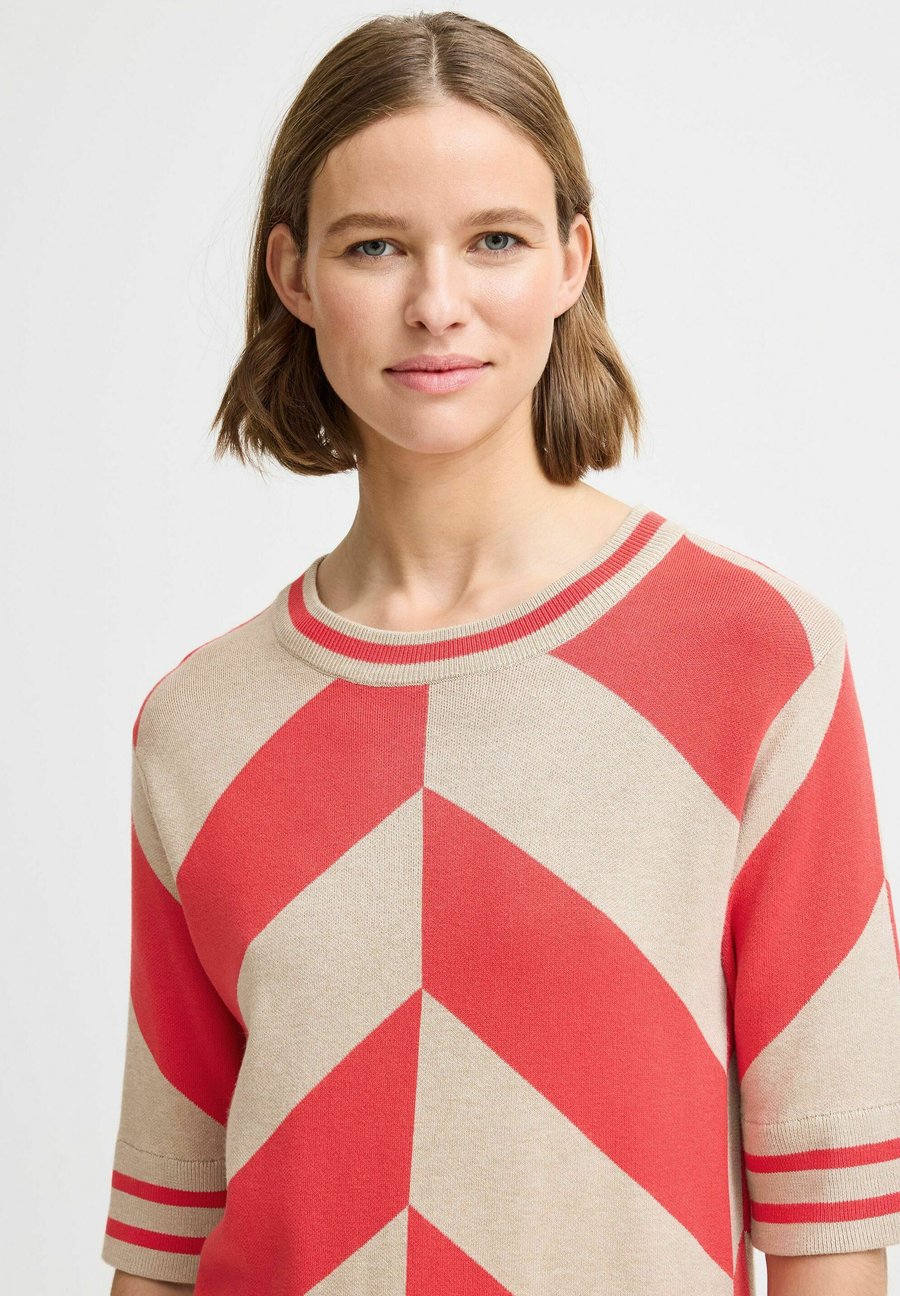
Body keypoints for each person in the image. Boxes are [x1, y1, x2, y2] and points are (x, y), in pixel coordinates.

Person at [101, 12, 900, 1296]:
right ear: (293, 274)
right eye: (374, 246)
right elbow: (165, 1231)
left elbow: (830, 1226)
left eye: (495, 241)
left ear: (572, 260)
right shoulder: (200, 721)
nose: (437, 304)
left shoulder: (761, 662)